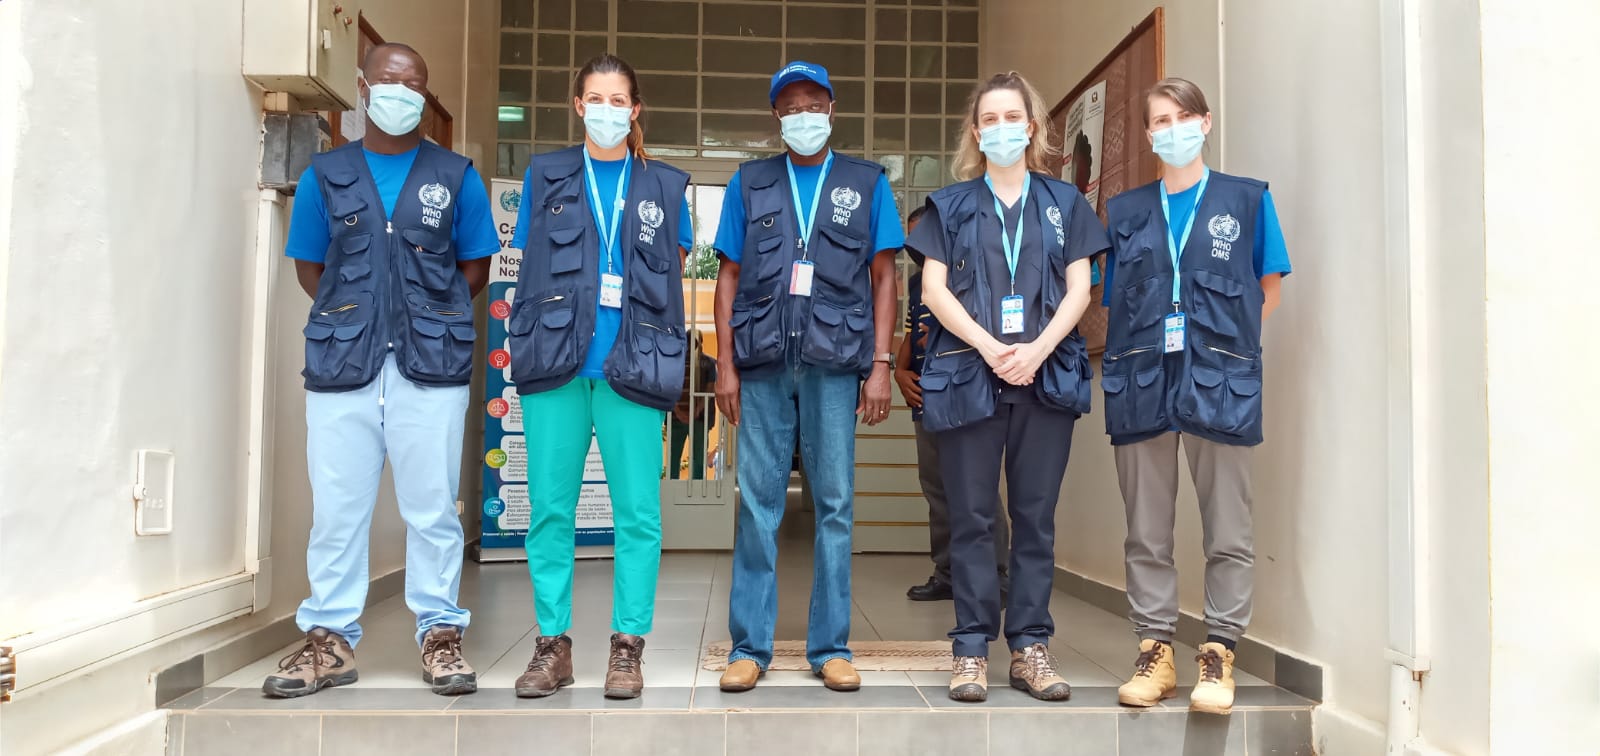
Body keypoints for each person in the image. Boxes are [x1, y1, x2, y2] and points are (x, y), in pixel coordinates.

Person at [266, 42, 498, 699]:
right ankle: (329, 642)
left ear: (425, 95)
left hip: (431, 365)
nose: (402, 93)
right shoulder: (326, 174)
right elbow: (311, 267)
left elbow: (475, 266)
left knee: (432, 510)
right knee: (337, 512)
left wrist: (426, 315)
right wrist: (360, 318)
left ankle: (440, 635)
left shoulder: (456, 175)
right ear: (364, 88)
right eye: (390, 82)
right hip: (345, 364)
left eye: (414, 84)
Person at [910, 71, 1103, 703]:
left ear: (1033, 126)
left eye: (1011, 117)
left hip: (1044, 378)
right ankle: (970, 648)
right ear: (975, 132)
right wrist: (991, 348)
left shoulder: (1065, 204)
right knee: (971, 518)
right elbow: (933, 289)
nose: (1000, 129)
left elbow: (1080, 288)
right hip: (971, 375)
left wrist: (1036, 350)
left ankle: (1030, 648)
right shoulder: (949, 206)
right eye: (988, 119)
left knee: (1034, 519)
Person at [505, 54, 693, 700]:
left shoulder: (665, 186)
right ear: (578, 105)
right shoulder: (546, 174)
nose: (607, 110)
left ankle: (627, 647)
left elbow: (673, 273)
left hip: (634, 366)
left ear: (635, 109)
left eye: (619, 100)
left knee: (637, 514)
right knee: (550, 512)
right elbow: (531, 261)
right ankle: (552, 646)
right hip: (555, 364)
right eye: (596, 98)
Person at [1101, 77, 1291, 716]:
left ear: (1205, 123)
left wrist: (1226, 352)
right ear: (1148, 134)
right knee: (1146, 531)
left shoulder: (1246, 200)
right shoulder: (1126, 211)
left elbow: (1269, 288)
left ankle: (1219, 651)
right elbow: (1117, 299)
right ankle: (1155, 651)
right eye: (1160, 120)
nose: (1172, 128)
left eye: (1183, 116)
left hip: (1220, 382)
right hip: (1142, 381)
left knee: (1228, 529)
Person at [713, 61, 903, 693]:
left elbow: (885, 277)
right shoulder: (750, 182)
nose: (802, 115)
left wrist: (881, 365)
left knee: (835, 505)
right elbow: (728, 277)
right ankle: (749, 647)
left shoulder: (866, 182)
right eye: (790, 107)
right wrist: (726, 364)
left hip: (834, 363)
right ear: (776, 116)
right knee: (757, 505)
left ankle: (831, 647)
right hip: (764, 363)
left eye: (813, 104)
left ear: (831, 108)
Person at [897, 207, 1011, 602]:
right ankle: (947, 572)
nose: (917, 246)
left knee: (977, 487)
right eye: (913, 239)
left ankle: (997, 576)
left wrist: (943, 333)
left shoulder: (975, 273)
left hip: (965, 391)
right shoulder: (919, 283)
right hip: (925, 396)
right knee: (936, 488)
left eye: (924, 235)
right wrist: (899, 371)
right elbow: (910, 336)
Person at [669, 331, 717, 480]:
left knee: (698, 457)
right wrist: (679, 411)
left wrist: (695, 411)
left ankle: (696, 487)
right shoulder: (675, 363)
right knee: (674, 457)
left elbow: (710, 389)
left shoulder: (708, 363)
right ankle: (675, 487)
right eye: (689, 342)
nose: (691, 346)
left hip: (698, 419)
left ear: (700, 343)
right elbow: (669, 388)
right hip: (678, 418)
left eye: (694, 342)